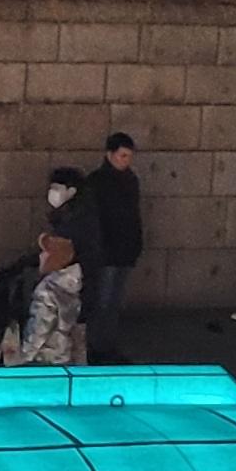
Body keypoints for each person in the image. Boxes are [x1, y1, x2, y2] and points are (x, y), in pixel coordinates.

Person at [77, 131, 144, 358]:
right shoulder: (97, 182)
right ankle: (95, 346)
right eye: (122, 156)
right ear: (110, 155)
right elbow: (92, 220)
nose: (126, 161)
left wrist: (136, 244)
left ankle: (107, 345)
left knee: (114, 302)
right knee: (102, 300)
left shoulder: (130, 180)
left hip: (124, 249)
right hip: (105, 251)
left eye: (129, 156)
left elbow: (134, 216)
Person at [9, 226, 86, 366]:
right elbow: (78, 330)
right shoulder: (74, 287)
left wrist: (23, 358)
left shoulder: (46, 291)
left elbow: (40, 327)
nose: (41, 256)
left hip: (44, 358)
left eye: (45, 252)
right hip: (64, 354)